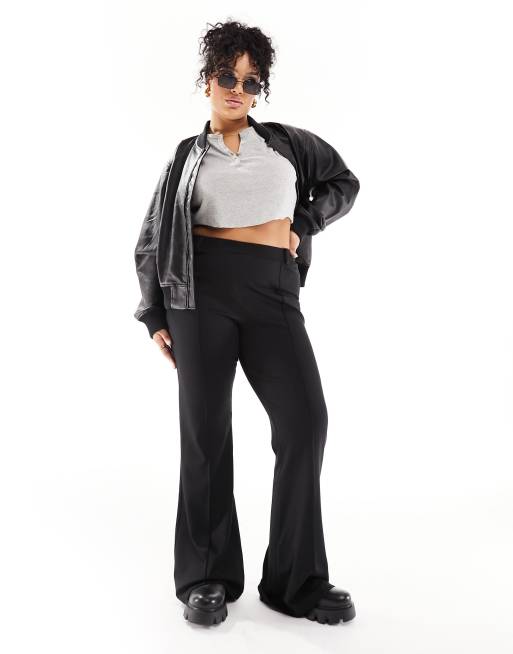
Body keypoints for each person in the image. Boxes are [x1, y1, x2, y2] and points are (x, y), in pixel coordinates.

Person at [133, 19, 360, 626]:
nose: (238, 89)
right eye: (227, 77)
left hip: (272, 289)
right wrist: (153, 312)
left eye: (251, 81)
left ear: (260, 89)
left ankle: (295, 581)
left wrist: (303, 225)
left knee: (305, 422)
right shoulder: (186, 157)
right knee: (206, 433)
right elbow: (153, 236)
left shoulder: (286, 143)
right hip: (200, 294)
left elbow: (343, 182)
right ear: (207, 80)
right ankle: (205, 578)